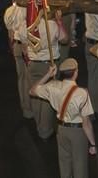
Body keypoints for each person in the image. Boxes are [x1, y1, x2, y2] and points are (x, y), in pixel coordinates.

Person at [30, 59, 96, 178]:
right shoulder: (81, 93)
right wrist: (93, 144)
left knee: (64, 164)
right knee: (79, 165)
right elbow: (86, 123)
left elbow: (32, 90)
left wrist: (48, 75)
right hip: (77, 132)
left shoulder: (52, 86)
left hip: (61, 129)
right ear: (76, 73)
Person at [22, 10, 67, 140]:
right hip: (48, 66)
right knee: (47, 97)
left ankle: (39, 124)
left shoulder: (25, 25)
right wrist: (59, 22)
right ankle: (45, 130)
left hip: (33, 65)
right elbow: (65, 40)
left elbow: (23, 46)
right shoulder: (51, 25)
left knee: (35, 95)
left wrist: (30, 59)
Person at [3, 0, 32, 119]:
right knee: (29, 77)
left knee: (21, 78)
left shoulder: (8, 11)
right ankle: (30, 108)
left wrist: (12, 46)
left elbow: (10, 32)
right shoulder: (27, 10)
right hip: (27, 46)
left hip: (16, 45)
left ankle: (24, 107)